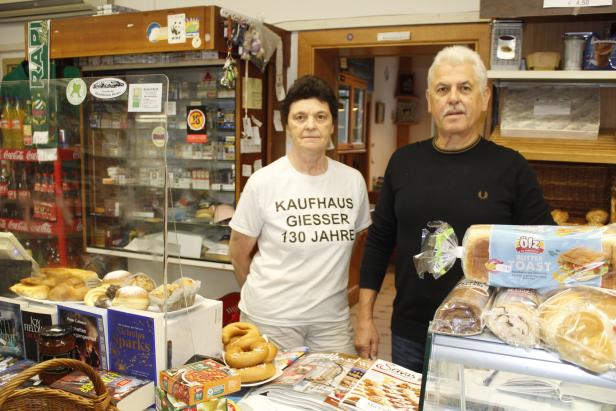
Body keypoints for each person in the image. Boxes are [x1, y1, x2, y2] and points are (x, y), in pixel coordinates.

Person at [354, 45, 554, 372]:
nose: (454, 98)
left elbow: (543, 245)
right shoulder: (403, 162)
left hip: (485, 337)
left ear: (485, 98)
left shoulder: (511, 167)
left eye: (465, 88)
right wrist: (364, 318)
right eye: (443, 89)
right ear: (430, 101)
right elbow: (379, 241)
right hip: (411, 332)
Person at [229, 75, 371, 354]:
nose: (310, 126)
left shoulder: (353, 181)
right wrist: (270, 300)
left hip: (331, 321)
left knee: (334, 393)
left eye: (320, 117)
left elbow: (358, 246)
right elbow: (237, 253)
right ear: (288, 125)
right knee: (269, 394)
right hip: (271, 320)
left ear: (332, 125)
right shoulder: (263, 181)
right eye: (300, 117)